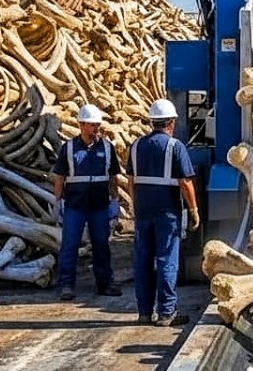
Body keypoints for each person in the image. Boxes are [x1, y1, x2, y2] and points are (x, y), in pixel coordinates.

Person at [126, 98, 200, 327]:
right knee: (167, 259)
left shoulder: (136, 146)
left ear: (152, 121)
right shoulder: (174, 147)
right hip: (166, 211)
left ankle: (144, 312)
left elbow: (131, 180)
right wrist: (193, 209)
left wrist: (135, 205)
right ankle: (167, 312)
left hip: (143, 210)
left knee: (143, 260)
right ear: (171, 122)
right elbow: (185, 182)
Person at [52, 104, 123, 300]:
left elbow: (113, 178)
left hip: (99, 206)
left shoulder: (107, 148)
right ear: (81, 125)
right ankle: (66, 285)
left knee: (101, 244)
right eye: (92, 125)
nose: (96, 129)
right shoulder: (69, 149)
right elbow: (59, 177)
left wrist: (114, 201)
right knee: (70, 245)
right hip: (75, 205)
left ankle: (105, 283)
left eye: (97, 125)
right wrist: (57, 202)